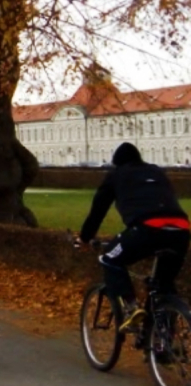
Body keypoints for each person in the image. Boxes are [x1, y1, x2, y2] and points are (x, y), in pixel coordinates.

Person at [76, 142, 190, 332]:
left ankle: (131, 308)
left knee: (109, 258)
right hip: (181, 229)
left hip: (147, 228)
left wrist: (85, 238)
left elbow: (98, 211)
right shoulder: (156, 171)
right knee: (164, 286)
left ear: (116, 162)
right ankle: (162, 344)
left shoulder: (116, 175)